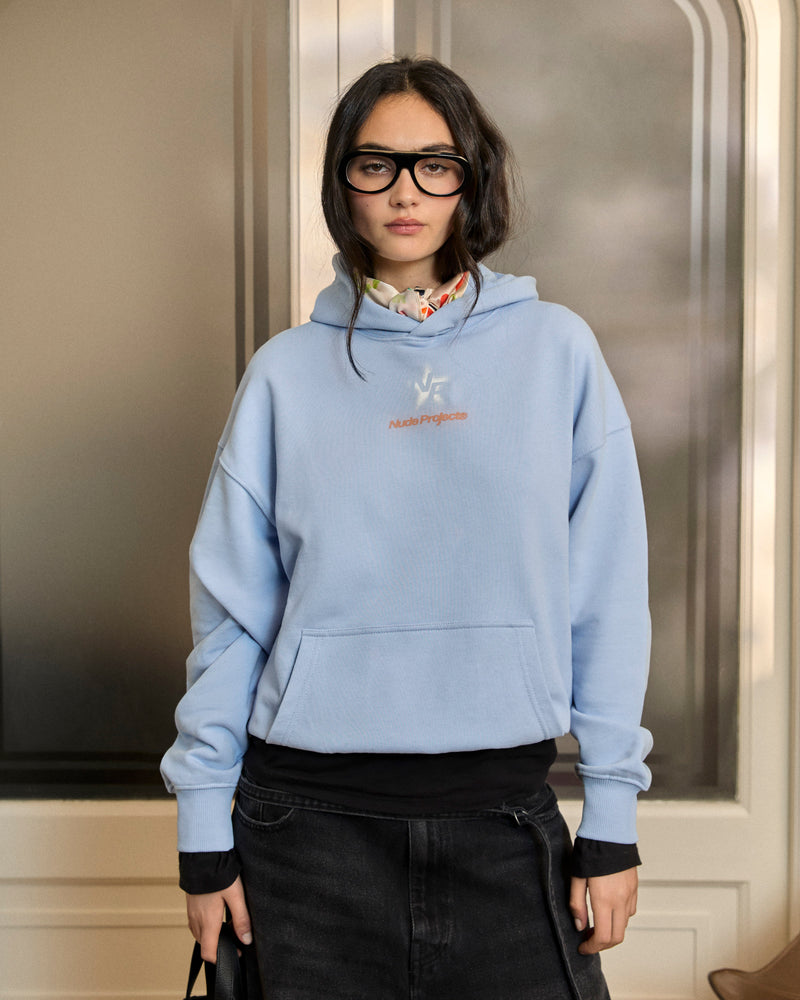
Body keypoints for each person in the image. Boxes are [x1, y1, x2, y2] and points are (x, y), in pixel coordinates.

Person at [161, 56, 652, 1000]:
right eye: (374, 164)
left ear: (472, 177)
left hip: (506, 828)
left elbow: (608, 594)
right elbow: (231, 619)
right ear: (342, 182)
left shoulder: (556, 351)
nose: (404, 191)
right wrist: (201, 834)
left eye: (435, 164)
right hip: (303, 837)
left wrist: (613, 816)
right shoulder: (284, 374)